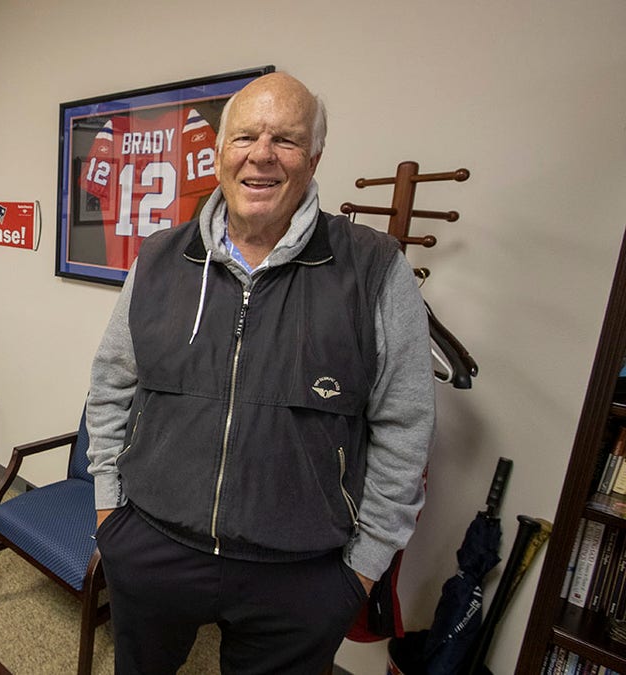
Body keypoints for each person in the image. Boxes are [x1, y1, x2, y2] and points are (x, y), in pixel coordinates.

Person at [85, 72, 435, 674]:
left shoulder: (375, 269)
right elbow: (112, 380)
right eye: (245, 136)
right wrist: (109, 509)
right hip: (152, 545)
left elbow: (405, 426)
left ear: (314, 157)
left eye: (287, 140)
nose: (262, 155)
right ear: (220, 152)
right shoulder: (161, 258)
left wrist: (364, 567)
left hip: (303, 575)